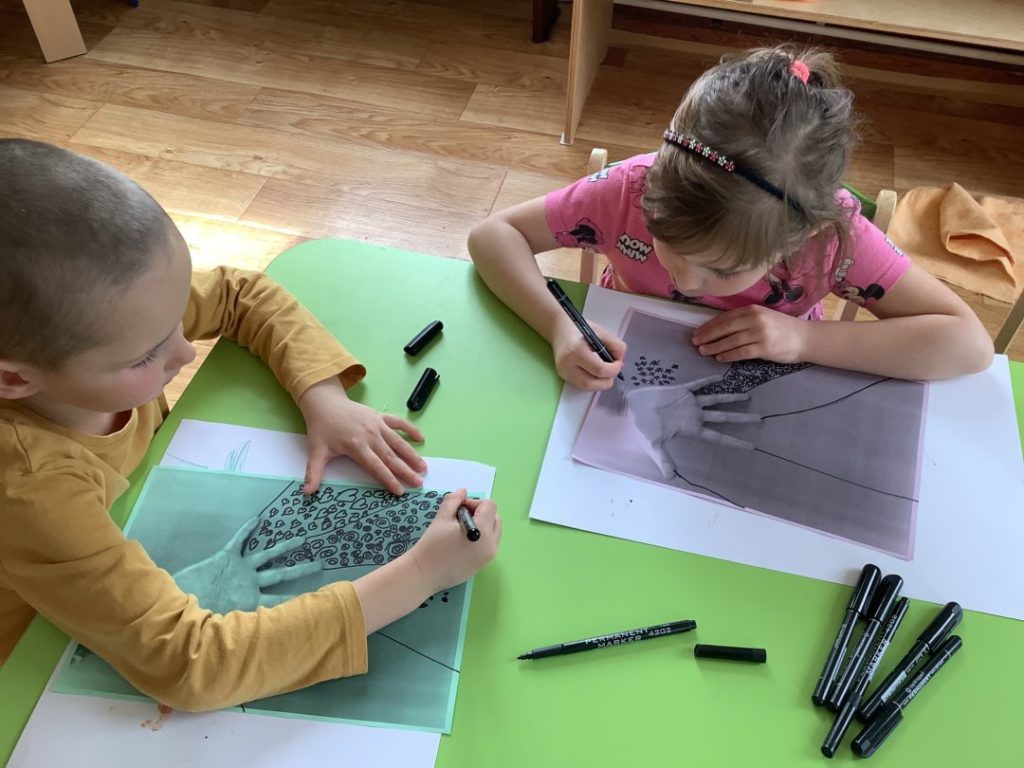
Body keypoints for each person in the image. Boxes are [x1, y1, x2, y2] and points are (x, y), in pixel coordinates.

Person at [0, 139, 501, 709]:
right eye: (146, 358)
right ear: (14, 379)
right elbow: (192, 666)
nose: (185, 352)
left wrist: (322, 395)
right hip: (25, 664)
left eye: (178, 321)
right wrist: (422, 574)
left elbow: (240, 293)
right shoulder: (30, 489)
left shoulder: (114, 318)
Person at [468, 46, 994, 389]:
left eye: (722, 269)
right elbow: (494, 235)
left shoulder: (832, 240)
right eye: (666, 240)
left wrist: (805, 341)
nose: (684, 280)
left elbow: (968, 344)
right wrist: (559, 327)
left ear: (803, 235)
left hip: (774, 374)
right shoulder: (631, 189)